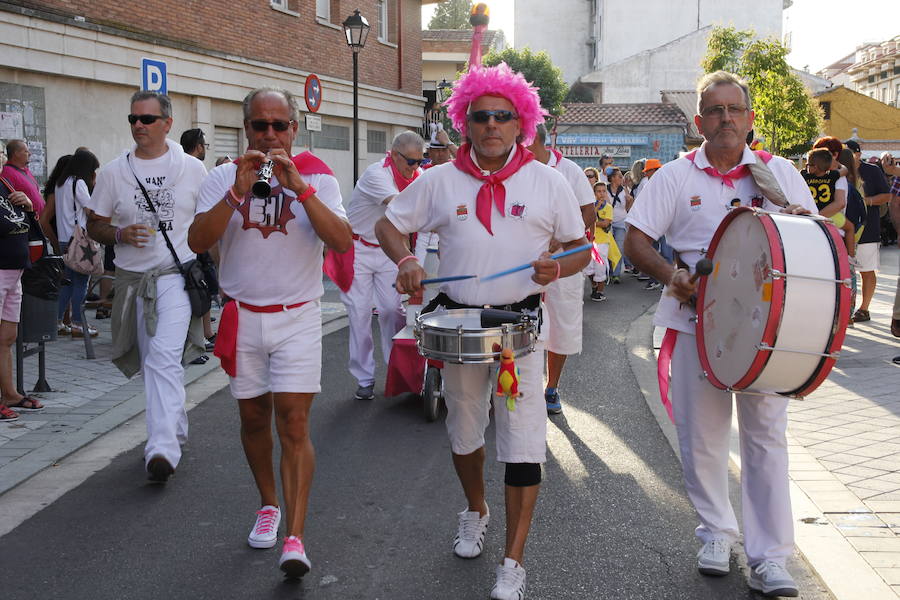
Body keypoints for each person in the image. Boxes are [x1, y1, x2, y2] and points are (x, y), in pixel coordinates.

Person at [375, 63, 589, 600]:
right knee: (464, 435)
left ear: (522, 123)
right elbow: (387, 223)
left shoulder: (549, 182)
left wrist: (557, 268)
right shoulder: (438, 180)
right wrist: (403, 259)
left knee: (523, 443)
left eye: (503, 116)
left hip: (521, 328)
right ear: (464, 123)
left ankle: (513, 561)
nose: (492, 125)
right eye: (480, 116)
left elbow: (581, 246)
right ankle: (476, 509)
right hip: (458, 324)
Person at [624, 71, 817, 598]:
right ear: (700, 121)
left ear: (750, 118)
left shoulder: (779, 175)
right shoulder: (675, 177)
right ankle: (715, 532)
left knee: (765, 439)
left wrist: (803, 221)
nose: (726, 118)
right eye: (715, 110)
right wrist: (671, 278)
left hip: (768, 332)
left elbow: (816, 243)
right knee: (702, 438)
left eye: (735, 109)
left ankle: (771, 558)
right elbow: (635, 240)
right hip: (695, 322)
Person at [188, 87, 351, 578]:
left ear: (294, 130)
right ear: (246, 129)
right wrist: (237, 191)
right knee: (255, 419)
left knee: (294, 425)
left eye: (279, 125)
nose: (270, 134)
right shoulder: (221, 176)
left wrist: (299, 187)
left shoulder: (319, 179)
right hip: (243, 315)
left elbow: (342, 241)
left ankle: (295, 537)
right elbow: (198, 239)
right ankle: (268, 504)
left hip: (298, 315)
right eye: (260, 125)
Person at [86, 90, 207, 483]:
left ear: (167, 123)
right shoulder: (111, 172)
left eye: (147, 119)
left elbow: (208, 225)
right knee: (154, 362)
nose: (138, 125)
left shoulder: (191, 169)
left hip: (174, 277)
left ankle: (161, 449)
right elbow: (95, 225)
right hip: (133, 283)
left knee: (161, 358)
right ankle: (176, 427)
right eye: (133, 119)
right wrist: (119, 233)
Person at [342, 131, 424, 401]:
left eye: (419, 162)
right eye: (410, 162)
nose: (414, 168)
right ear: (394, 155)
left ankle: (395, 371)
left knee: (391, 309)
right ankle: (364, 378)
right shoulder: (376, 174)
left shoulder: (417, 176)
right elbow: (402, 207)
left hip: (389, 250)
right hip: (360, 249)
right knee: (360, 313)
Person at [526, 124, 595, 415]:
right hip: (526, 264)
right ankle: (522, 385)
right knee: (521, 323)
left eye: (525, 145)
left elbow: (589, 212)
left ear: (542, 143)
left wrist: (562, 236)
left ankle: (551, 386)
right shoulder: (518, 171)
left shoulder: (570, 171)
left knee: (560, 326)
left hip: (564, 262)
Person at [0, 162, 45, 419]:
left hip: (15, 271)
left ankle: (9, 393)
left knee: (7, 336)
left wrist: (27, 203)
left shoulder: (4, 185)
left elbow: (33, 214)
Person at [53, 148, 101, 338]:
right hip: (79, 239)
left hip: (65, 239)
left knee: (67, 282)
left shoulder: (60, 183)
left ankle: (57, 321)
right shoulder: (78, 183)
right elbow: (91, 211)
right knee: (81, 282)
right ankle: (78, 323)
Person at [845, 139, 893, 323]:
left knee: (866, 269)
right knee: (845, 271)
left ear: (858, 154)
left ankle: (864, 308)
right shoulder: (839, 171)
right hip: (844, 230)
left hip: (868, 229)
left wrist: (868, 201)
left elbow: (887, 195)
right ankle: (846, 307)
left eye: (851, 153)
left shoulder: (871, 171)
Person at [804, 148, 856, 258]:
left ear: (815, 167)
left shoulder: (805, 176)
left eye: (808, 164)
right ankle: (851, 257)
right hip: (832, 214)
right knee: (850, 228)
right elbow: (845, 170)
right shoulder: (832, 176)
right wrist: (839, 165)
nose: (806, 166)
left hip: (811, 213)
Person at [584, 181, 620, 302]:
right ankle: (594, 286)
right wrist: (596, 210)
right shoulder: (590, 207)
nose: (602, 194)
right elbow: (587, 221)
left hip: (603, 241)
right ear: (594, 193)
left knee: (600, 267)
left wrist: (593, 222)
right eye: (599, 191)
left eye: (604, 191)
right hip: (590, 241)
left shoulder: (608, 207)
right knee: (588, 267)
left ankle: (600, 291)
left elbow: (605, 223)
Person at [1, 139, 45, 217]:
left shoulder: (25, 171)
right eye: (26, 151)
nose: (30, 154)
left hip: (40, 220)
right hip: (28, 221)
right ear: (16, 153)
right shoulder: (6, 172)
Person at [608, 167, 633, 283]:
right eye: (619, 176)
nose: (621, 178)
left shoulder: (624, 190)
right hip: (607, 222)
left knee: (618, 248)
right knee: (607, 248)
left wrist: (629, 201)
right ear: (612, 178)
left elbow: (627, 208)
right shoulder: (604, 189)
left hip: (620, 221)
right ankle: (607, 272)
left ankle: (616, 274)